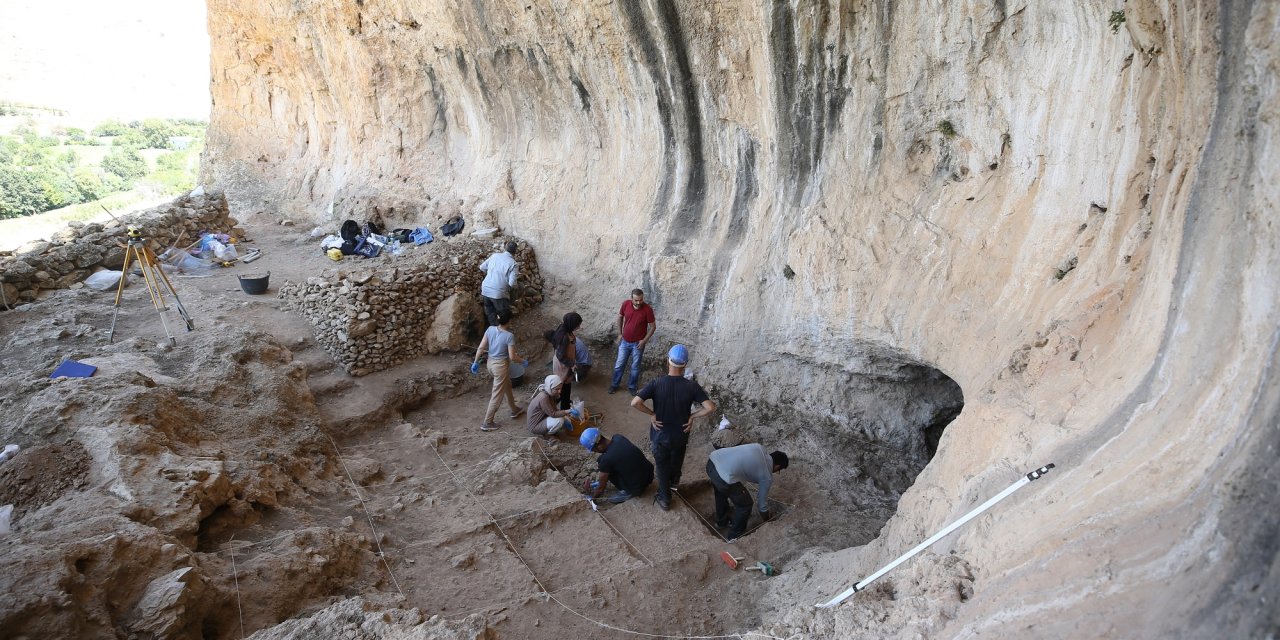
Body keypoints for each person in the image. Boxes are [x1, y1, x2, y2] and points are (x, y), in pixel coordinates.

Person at [629, 344, 716, 510]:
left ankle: (665, 498)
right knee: (676, 460)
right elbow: (710, 407)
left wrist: (651, 414)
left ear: (668, 361)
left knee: (662, 466)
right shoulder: (691, 386)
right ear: (685, 365)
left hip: (660, 435)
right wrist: (692, 416)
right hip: (681, 435)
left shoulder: (656, 383)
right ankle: (674, 484)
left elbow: (635, 403)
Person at [706, 444, 788, 542]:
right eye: (778, 471)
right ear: (777, 466)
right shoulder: (767, 476)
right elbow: (762, 505)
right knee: (745, 504)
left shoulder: (759, 447)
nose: (775, 472)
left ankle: (721, 522)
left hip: (712, 462)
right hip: (724, 477)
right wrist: (766, 518)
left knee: (721, 491)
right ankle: (733, 537)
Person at [470, 309, 527, 432]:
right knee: (497, 395)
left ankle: (514, 409)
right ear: (509, 321)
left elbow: (481, 347)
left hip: (490, 364)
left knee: (507, 385)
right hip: (500, 367)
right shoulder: (509, 336)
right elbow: (512, 357)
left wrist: (475, 362)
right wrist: (522, 361)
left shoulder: (490, 329)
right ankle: (487, 422)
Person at [579, 427, 653, 504]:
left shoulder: (606, 460)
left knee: (612, 499)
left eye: (594, 450)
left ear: (598, 446)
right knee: (605, 462)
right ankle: (603, 480)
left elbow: (601, 489)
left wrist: (592, 498)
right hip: (649, 474)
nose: (595, 452)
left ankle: (629, 493)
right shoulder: (618, 437)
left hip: (638, 486)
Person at [609, 289, 656, 396]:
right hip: (624, 341)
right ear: (631, 299)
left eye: (641, 300)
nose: (639, 303)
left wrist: (644, 340)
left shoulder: (648, 309)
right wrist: (620, 333)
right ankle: (614, 385)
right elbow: (620, 317)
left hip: (638, 344)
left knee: (635, 367)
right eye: (636, 300)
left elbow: (653, 327)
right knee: (619, 364)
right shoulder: (625, 304)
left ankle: (632, 387)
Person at [544, 312, 582, 410]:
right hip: (562, 366)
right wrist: (572, 363)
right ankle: (563, 408)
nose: (579, 327)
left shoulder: (565, 329)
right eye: (577, 325)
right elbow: (560, 356)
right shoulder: (564, 337)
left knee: (565, 387)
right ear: (572, 325)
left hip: (566, 363)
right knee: (563, 388)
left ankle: (564, 402)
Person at [479, 240, 519, 326]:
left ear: (505, 248)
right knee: (503, 315)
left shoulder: (495, 255)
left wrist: (492, 273)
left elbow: (482, 267)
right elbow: (512, 284)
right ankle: (502, 332)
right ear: (515, 252)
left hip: (485, 290)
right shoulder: (514, 264)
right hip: (498, 293)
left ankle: (493, 330)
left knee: (490, 313)